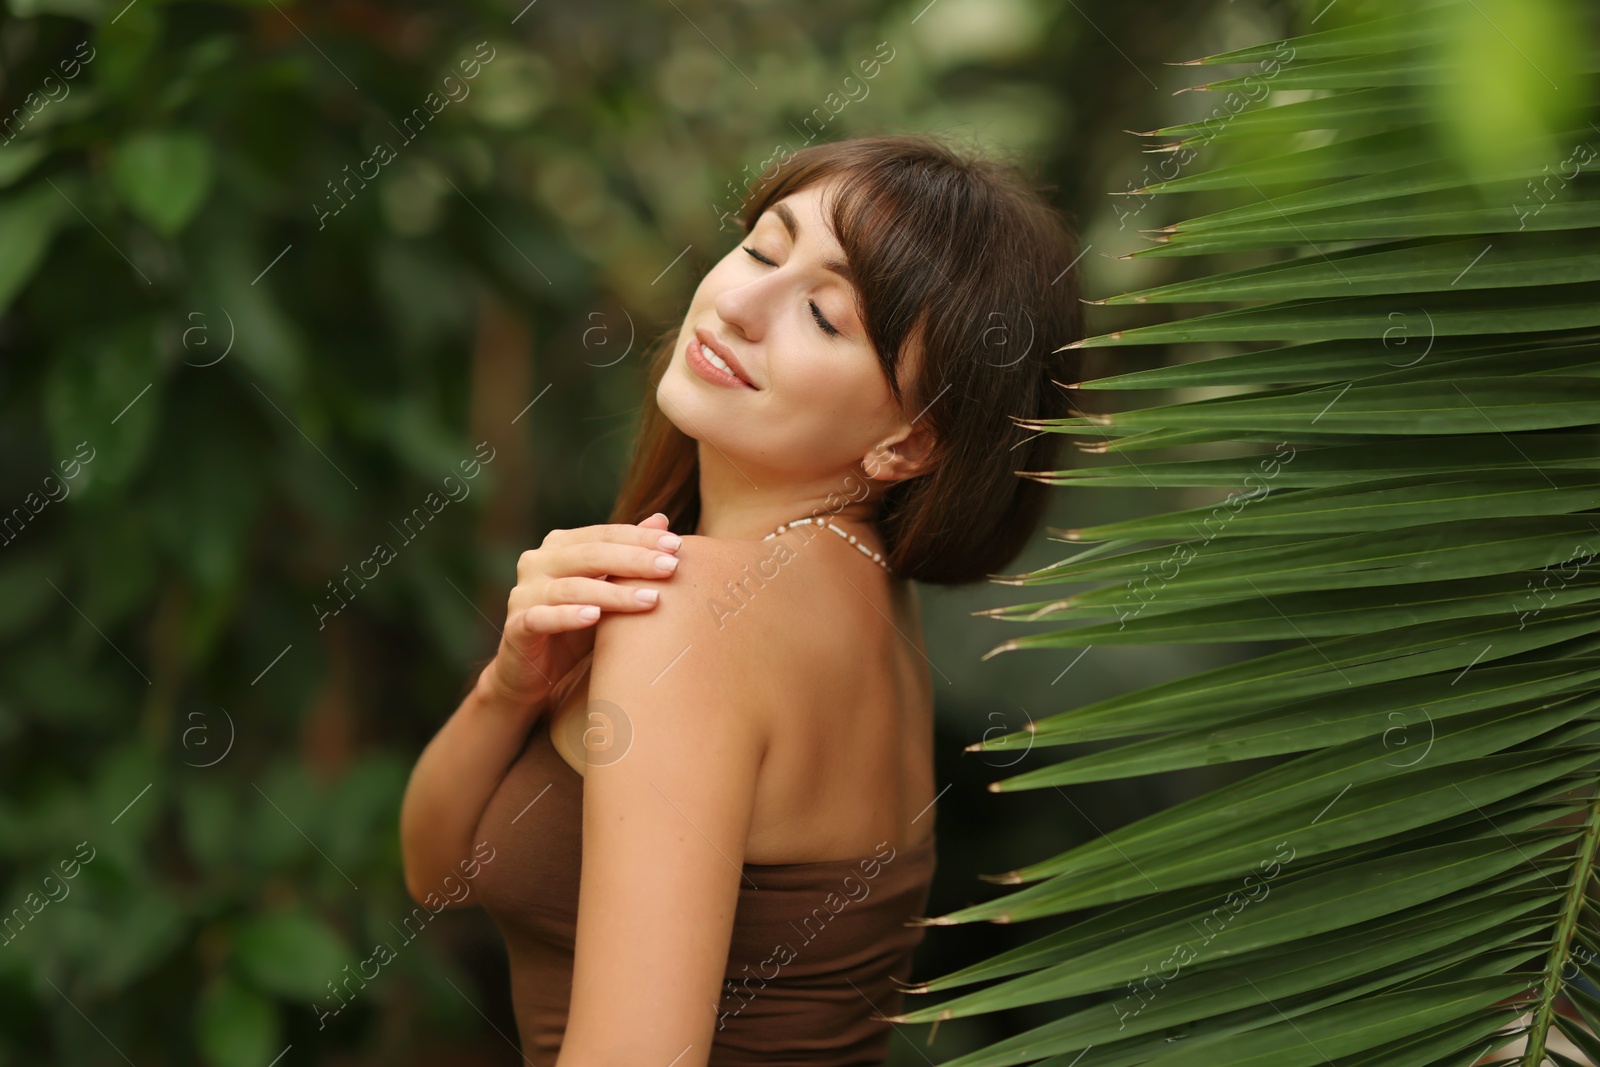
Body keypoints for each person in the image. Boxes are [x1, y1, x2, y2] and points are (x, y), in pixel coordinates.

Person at [398, 132, 1085, 1066]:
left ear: (910, 444)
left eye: (826, 316)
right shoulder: (864, 598)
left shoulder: (694, 614)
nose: (738, 301)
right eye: (763, 247)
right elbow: (440, 876)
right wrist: (508, 690)